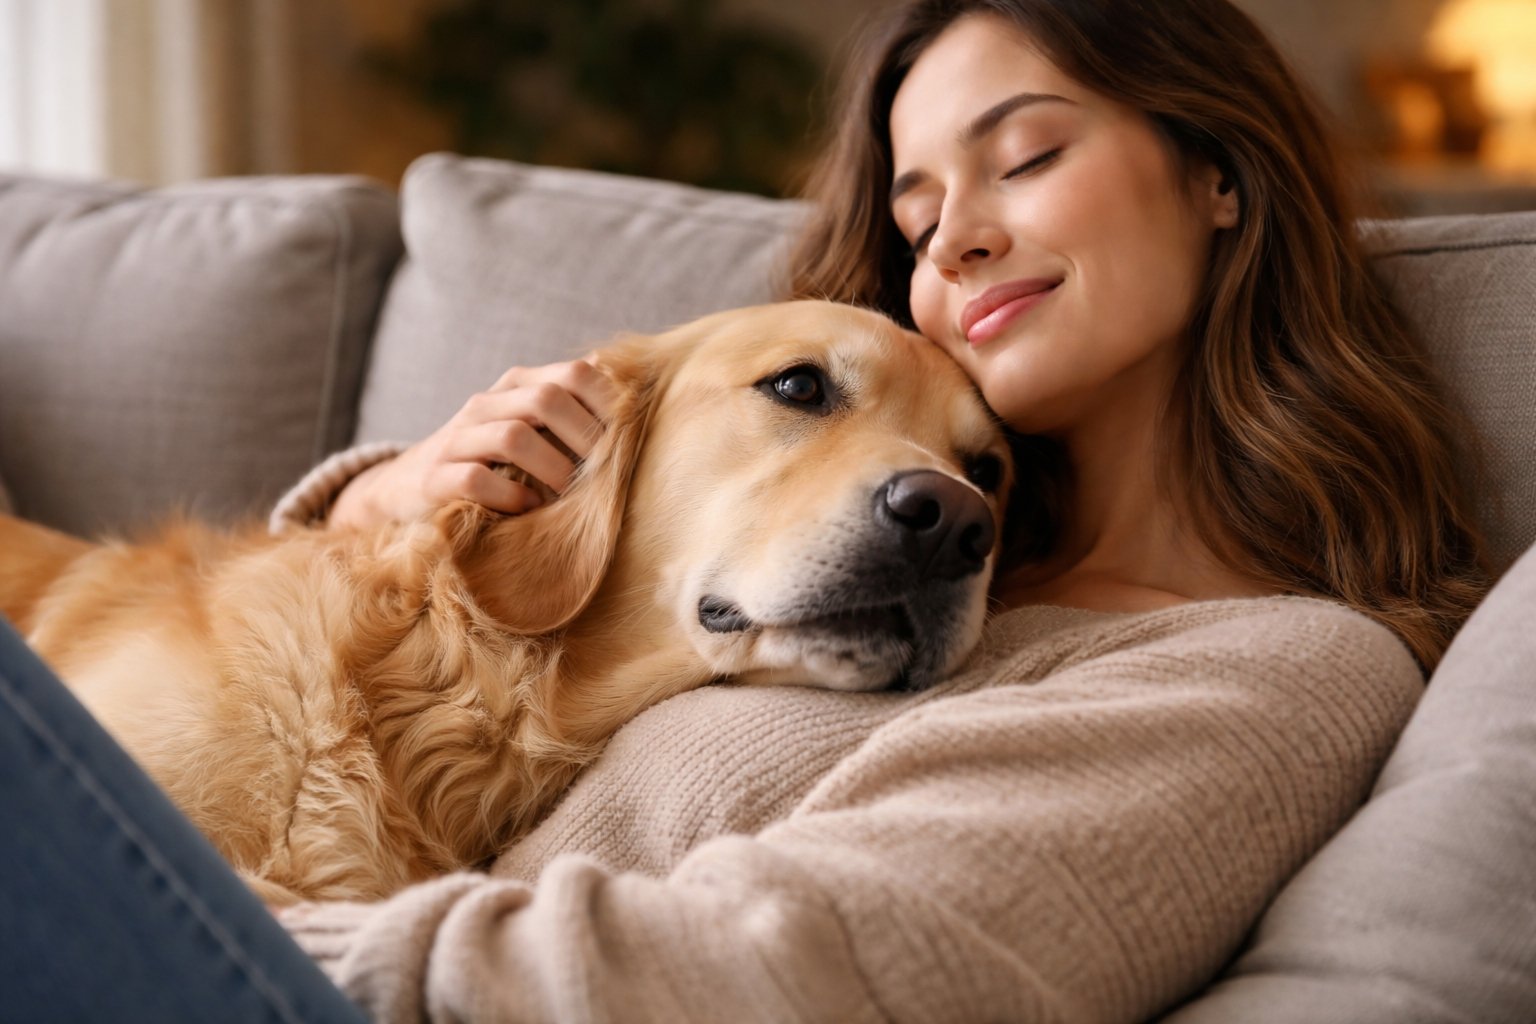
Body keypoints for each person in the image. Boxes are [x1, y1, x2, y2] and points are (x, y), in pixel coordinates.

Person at [0, 1, 1490, 1021]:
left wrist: (191, 941)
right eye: (916, 218)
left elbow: (794, 971)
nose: (959, 233)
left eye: (1028, 155)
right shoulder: (964, 568)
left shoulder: (1277, 669)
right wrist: (388, 499)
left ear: (1219, 174)